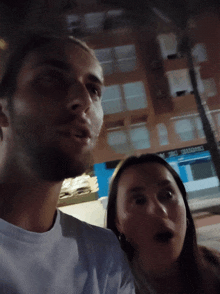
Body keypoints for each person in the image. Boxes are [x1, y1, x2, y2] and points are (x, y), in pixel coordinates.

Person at [0, 31, 135, 294]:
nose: (84, 101)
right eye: (51, 78)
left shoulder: (103, 255)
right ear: (3, 112)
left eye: (94, 90)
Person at [107, 153, 220, 294]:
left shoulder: (215, 267)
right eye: (139, 200)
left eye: (167, 195)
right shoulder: (107, 286)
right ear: (118, 222)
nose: (160, 209)